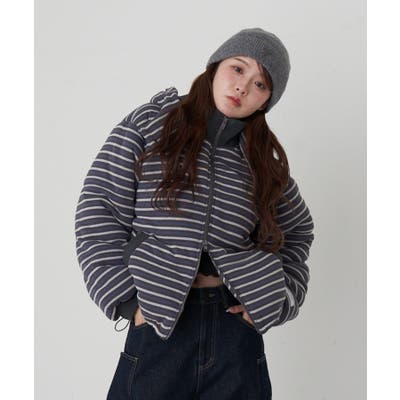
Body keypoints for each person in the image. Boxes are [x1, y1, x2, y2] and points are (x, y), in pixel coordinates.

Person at [74, 27, 314, 400]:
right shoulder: (150, 125)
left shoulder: (262, 163)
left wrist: (280, 297)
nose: (243, 87)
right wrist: (126, 300)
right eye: (238, 68)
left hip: (235, 331)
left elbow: (297, 232)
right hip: (160, 324)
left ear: (266, 101)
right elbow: (99, 208)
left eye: (260, 84)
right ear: (215, 67)